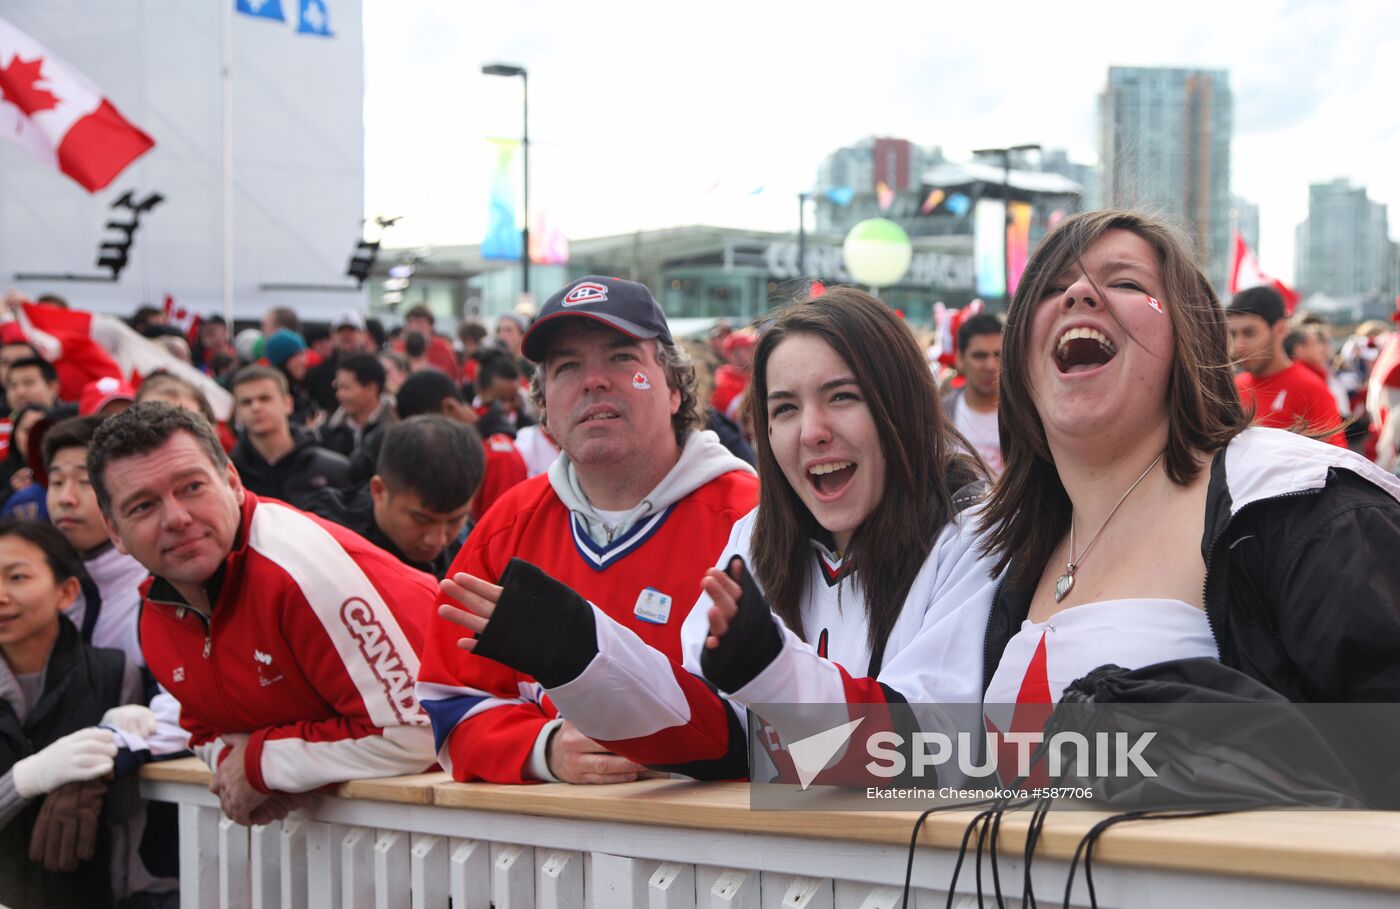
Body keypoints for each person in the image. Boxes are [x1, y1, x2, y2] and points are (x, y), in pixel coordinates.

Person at [427, 287, 996, 781]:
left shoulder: (977, 537)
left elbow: (944, 755)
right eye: (785, 408)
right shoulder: (756, 536)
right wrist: (583, 653)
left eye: (842, 397)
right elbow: (710, 738)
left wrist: (772, 673)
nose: (813, 432)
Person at [971, 209, 1400, 713]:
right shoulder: (998, 551)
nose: (1078, 295)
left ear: (1189, 336)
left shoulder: (1303, 506)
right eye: (1050, 288)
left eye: (1125, 281)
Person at [415, 275, 759, 784]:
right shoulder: (505, 530)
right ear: (546, 410)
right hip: (542, 858)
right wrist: (541, 748)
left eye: (622, 357)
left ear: (673, 389)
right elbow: (449, 703)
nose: (593, 380)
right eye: (568, 366)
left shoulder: (754, 518)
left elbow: (827, 734)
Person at [88, 403, 439, 825]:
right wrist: (239, 768)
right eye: (143, 506)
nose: (176, 518)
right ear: (114, 532)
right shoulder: (156, 612)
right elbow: (203, 732)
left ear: (232, 482)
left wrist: (261, 766)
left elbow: (418, 735)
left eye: (192, 487)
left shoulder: (301, 573)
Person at [0, 520, 147, 909]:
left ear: (66, 592)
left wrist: (98, 771)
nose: (0, 595)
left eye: (17, 577)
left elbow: (129, 812)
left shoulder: (112, 673)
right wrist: (25, 779)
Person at [302, 416, 483, 577]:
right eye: (421, 519)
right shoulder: (321, 542)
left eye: (455, 521)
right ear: (379, 491)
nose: (438, 540)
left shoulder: (475, 551)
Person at [1226, 286, 1345, 447]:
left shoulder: (1310, 389)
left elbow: (1336, 464)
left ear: (1280, 329)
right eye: (1233, 334)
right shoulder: (1233, 388)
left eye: (1249, 333)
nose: (1238, 345)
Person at [229, 366, 349, 507]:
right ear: (238, 412)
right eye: (246, 402)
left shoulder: (334, 469)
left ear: (287, 404)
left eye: (265, 398)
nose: (256, 407)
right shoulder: (230, 477)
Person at [942, 313, 1005, 475]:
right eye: (979, 356)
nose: (990, 365)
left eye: (998, 355)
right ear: (960, 360)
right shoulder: (938, 417)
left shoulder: (1027, 416)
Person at [320, 353, 395, 458]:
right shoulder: (330, 430)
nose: (339, 394)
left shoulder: (395, 430)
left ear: (371, 388)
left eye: (346, 388)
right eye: (338, 387)